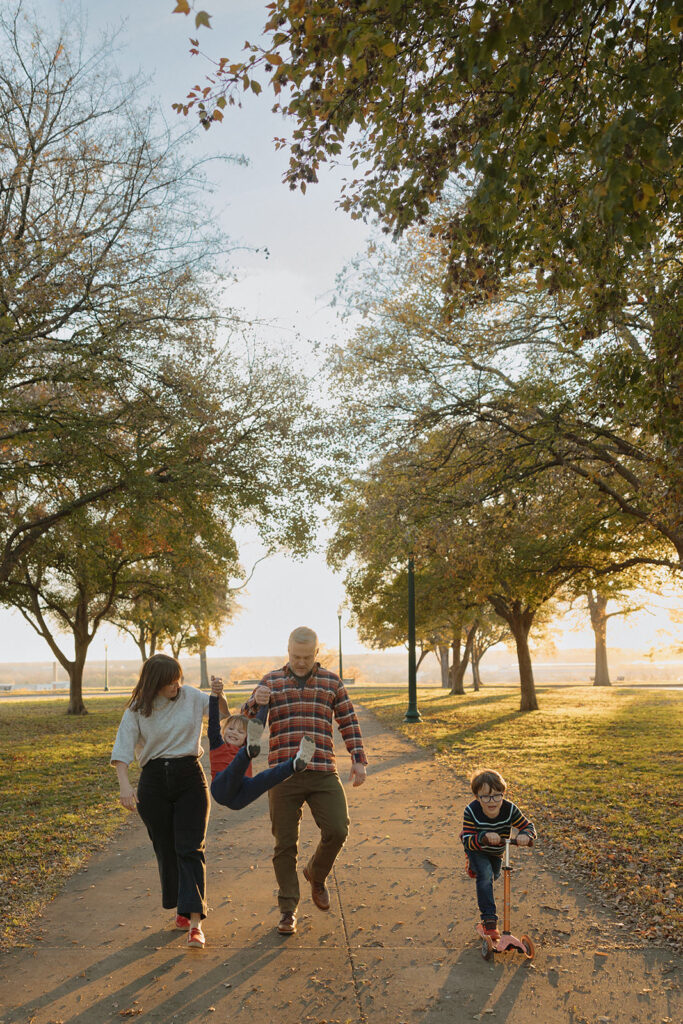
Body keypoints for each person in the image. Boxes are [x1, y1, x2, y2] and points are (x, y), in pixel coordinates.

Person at [242, 626, 368, 935]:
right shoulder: (270, 681)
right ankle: (288, 910)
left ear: (316, 654)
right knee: (285, 845)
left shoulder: (331, 682)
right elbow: (245, 721)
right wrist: (255, 702)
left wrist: (358, 759)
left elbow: (348, 720)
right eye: (296, 656)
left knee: (338, 828)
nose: (300, 662)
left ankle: (316, 872)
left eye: (307, 657)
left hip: (323, 770)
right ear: (287, 651)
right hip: (282, 775)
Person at [111, 653, 228, 950]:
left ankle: (195, 923)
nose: (176, 684)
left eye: (178, 678)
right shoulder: (138, 708)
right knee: (166, 847)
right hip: (153, 782)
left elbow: (222, 714)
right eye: (169, 681)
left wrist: (218, 694)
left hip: (190, 775)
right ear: (154, 683)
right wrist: (125, 787)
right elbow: (122, 751)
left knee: (191, 848)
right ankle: (180, 903)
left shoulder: (190, 695)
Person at [207, 674, 316, 808]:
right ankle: (247, 753)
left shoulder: (249, 743)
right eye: (231, 728)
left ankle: (294, 764)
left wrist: (264, 705)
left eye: (240, 732)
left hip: (239, 797)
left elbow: (259, 726)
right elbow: (213, 722)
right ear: (223, 731)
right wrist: (213, 695)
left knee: (264, 779)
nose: (234, 732)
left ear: (246, 737)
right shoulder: (217, 744)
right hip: (221, 789)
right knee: (236, 767)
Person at [460, 768, 537, 940]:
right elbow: (467, 838)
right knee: (485, 875)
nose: (492, 801)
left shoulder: (509, 810)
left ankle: (478, 870)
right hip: (477, 849)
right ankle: (489, 922)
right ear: (477, 797)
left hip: (497, 852)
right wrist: (483, 836)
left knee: (493, 875)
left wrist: (526, 835)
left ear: (503, 793)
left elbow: (528, 826)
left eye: (497, 795)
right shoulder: (471, 811)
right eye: (485, 796)